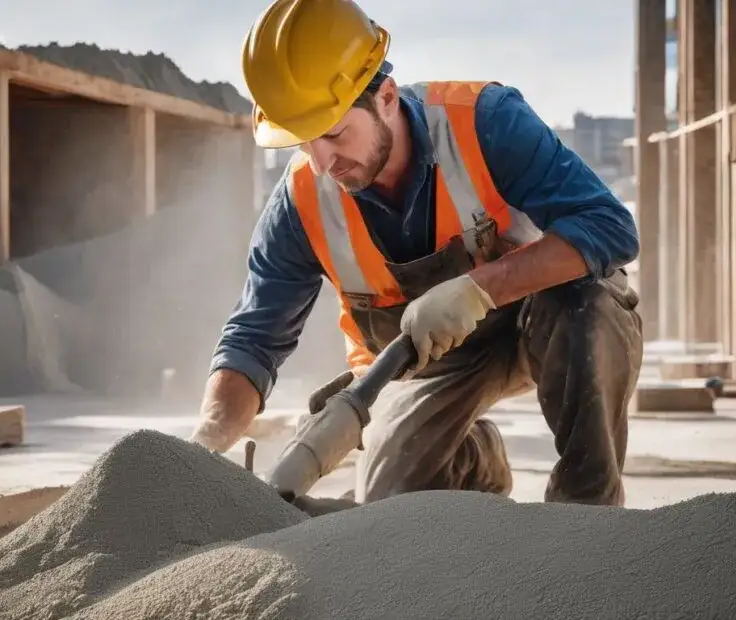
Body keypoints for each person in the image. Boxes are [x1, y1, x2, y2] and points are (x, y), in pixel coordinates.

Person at [191, 0, 643, 507]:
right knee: (392, 503)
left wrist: (478, 289)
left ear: (385, 96)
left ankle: (588, 519)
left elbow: (611, 228)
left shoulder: (484, 124)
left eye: (335, 133)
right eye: (303, 142)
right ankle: (473, 459)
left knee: (592, 307)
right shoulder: (300, 203)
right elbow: (254, 338)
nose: (321, 163)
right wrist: (203, 446)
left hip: (535, 325)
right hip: (423, 368)